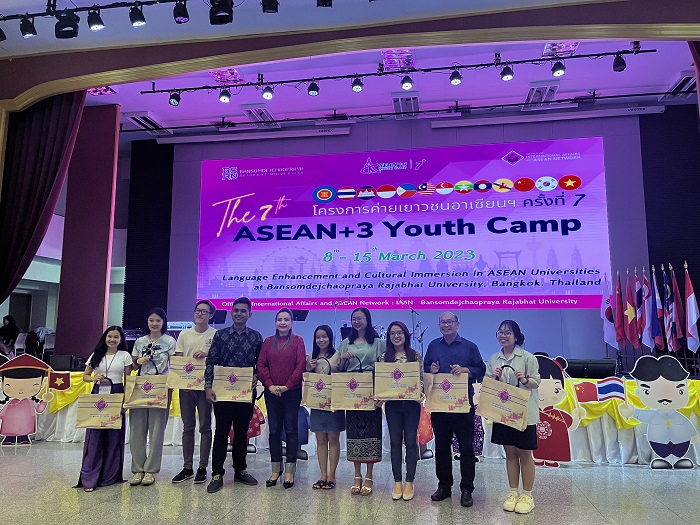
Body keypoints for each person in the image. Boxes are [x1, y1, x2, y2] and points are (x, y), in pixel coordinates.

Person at [423, 312, 485, 508]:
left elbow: (481, 369)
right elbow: (425, 368)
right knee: (441, 447)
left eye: (450, 322)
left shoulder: (469, 346)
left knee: (466, 448)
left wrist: (466, 370)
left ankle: (467, 489)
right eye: (443, 322)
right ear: (439, 325)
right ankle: (444, 486)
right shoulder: (433, 345)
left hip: (462, 405)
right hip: (440, 405)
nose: (446, 325)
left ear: (457, 324)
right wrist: (431, 369)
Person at [204, 297, 262, 493]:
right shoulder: (220, 335)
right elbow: (211, 361)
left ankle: (240, 470)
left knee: (241, 432)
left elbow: (260, 364)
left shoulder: (256, 337)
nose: (239, 313)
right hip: (222, 394)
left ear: (250, 314)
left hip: (245, 394)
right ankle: (217, 473)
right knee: (221, 432)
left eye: (243, 311)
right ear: (231, 312)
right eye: (236, 310)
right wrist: (208, 386)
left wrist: (257, 376)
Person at [485, 320, 540, 515]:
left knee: (524, 452)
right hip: (503, 413)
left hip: (524, 413)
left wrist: (524, 379)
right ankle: (513, 492)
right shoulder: (494, 359)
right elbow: (488, 384)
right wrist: (494, 377)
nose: (503, 335)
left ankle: (527, 495)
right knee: (509, 452)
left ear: (516, 336)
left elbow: (536, 382)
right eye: (500, 332)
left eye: (508, 332)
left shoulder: (527, 357)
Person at [76, 326, 133, 492]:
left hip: (116, 394)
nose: (112, 340)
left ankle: (109, 477)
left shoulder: (125, 356)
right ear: (105, 338)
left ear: (121, 340)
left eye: (116, 337)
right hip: (98, 394)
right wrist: (94, 378)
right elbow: (85, 376)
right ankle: (89, 478)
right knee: (94, 437)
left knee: (114, 437)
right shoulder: (96, 354)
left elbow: (128, 380)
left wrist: (125, 402)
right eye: (110, 336)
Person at [338, 307, 386, 496]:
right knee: (354, 434)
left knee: (371, 433)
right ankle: (357, 476)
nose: (357, 322)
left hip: (371, 390)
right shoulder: (346, 343)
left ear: (367, 320)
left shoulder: (378, 343)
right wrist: (343, 358)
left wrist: (380, 393)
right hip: (352, 392)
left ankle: (369, 476)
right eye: (354, 319)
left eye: (360, 318)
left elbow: (383, 369)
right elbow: (339, 369)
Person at [257, 308, 307, 489]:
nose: (283, 322)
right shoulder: (268, 342)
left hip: (291, 392)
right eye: (280, 319)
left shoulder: (298, 341)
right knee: (274, 431)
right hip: (271, 393)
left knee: (291, 430)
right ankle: (275, 469)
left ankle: (290, 471)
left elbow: (300, 366)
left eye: (286, 319)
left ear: (292, 322)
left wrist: (287, 386)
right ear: (276, 322)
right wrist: (270, 385)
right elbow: (261, 365)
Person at [171, 300, 217, 485]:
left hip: (206, 386)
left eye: (204, 311)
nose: (200, 314)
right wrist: (181, 379)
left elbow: (219, 358)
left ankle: (202, 467)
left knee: (205, 426)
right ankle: (187, 467)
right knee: (188, 426)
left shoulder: (215, 335)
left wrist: (206, 354)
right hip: (186, 387)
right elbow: (179, 359)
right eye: (198, 311)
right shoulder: (184, 334)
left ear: (211, 315)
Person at [129, 307, 176, 486]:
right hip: (140, 387)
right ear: (147, 322)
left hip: (160, 387)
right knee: (136, 430)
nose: (154, 323)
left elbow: (174, 366)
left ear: (163, 322)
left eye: (158, 320)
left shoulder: (170, 341)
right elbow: (132, 366)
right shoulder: (140, 341)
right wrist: (137, 361)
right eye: (151, 320)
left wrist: (170, 388)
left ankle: (151, 470)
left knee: (157, 431)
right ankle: (138, 469)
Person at [379, 320, 424, 501]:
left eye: (400, 333)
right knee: (395, 443)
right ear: (389, 336)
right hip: (392, 405)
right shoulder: (384, 357)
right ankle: (397, 481)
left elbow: (421, 379)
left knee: (411, 442)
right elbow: (381, 381)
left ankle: (409, 481)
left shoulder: (415, 355)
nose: (396, 336)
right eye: (393, 333)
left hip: (412, 404)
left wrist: (420, 391)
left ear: (406, 335)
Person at [306, 325, 345, 490]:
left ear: (330, 338)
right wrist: (308, 368)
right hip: (317, 403)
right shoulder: (311, 356)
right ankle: (322, 475)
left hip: (334, 402)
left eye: (324, 337)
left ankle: (332, 476)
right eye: (318, 337)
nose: (321, 340)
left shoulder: (338, 355)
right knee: (321, 440)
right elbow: (307, 379)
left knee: (333, 439)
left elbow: (343, 376)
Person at [0, 354, 55, 445]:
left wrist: (45, 401)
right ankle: (9, 438)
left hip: (25, 423)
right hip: (10, 423)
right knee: (10, 429)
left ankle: (23, 437)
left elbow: (39, 410)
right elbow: (2, 413)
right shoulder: (10, 403)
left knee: (24, 428)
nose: (21, 390)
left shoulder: (30, 402)